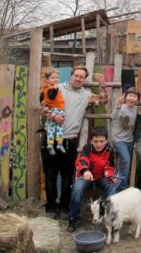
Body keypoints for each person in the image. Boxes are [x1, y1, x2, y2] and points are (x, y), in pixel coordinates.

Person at [42, 65, 107, 220]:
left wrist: (102, 85)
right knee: (50, 175)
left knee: (66, 176)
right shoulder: (57, 89)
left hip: (69, 140)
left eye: (81, 77)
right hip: (50, 137)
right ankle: (51, 206)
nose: (78, 79)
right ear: (71, 76)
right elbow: (43, 107)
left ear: (84, 80)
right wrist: (53, 117)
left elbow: (103, 101)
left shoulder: (86, 95)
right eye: (76, 75)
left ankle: (64, 207)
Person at [67, 126, 120, 232]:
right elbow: (82, 160)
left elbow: (110, 166)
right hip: (87, 176)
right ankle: (74, 217)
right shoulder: (87, 148)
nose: (99, 144)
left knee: (113, 187)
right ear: (91, 141)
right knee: (77, 188)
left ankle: (109, 216)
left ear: (106, 141)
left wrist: (111, 176)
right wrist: (85, 171)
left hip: (102, 177)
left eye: (102, 141)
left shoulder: (110, 150)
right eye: (96, 141)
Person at [111, 87, 141, 190]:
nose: (132, 98)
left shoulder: (137, 109)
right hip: (118, 139)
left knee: (122, 164)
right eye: (130, 96)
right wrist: (118, 106)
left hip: (129, 140)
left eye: (134, 96)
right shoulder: (122, 107)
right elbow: (113, 117)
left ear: (137, 99)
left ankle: (116, 185)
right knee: (126, 160)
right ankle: (124, 187)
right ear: (126, 97)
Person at [40, 68, 66, 155]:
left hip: (58, 109)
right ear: (47, 80)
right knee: (55, 127)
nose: (56, 80)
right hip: (55, 109)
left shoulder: (51, 88)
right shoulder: (50, 88)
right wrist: (55, 89)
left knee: (56, 128)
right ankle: (54, 144)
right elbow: (51, 97)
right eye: (53, 78)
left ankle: (56, 144)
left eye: (57, 78)